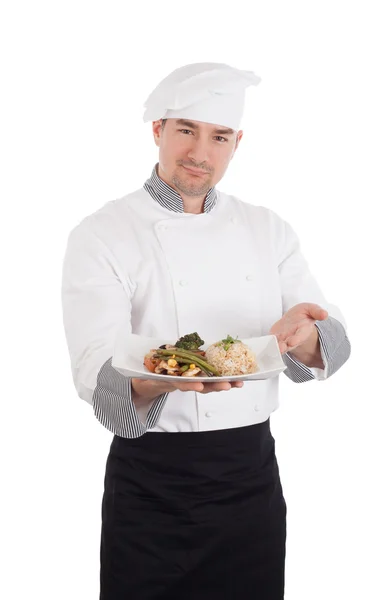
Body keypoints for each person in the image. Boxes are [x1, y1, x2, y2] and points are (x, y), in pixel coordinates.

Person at [61, 62, 351, 599]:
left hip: (250, 478)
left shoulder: (268, 228)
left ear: (237, 142)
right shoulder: (102, 233)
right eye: (186, 131)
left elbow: (330, 339)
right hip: (152, 485)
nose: (201, 153)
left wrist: (302, 336)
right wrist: (166, 378)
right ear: (158, 131)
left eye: (218, 137)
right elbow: (95, 372)